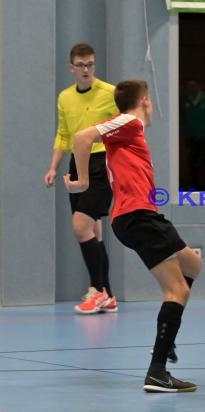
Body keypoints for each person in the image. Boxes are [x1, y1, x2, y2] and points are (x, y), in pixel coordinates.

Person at [64, 80, 202, 393]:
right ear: (143, 101)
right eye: (150, 100)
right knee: (177, 289)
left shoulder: (129, 132)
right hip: (136, 216)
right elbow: (82, 137)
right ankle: (158, 371)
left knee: (192, 265)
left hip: (140, 216)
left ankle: (164, 346)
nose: (151, 106)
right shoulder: (130, 121)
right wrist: (83, 181)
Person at [44, 43, 119, 315]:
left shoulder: (110, 93)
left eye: (90, 64)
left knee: (80, 226)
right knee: (93, 231)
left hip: (102, 164)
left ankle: (98, 291)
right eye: (81, 65)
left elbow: (126, 125)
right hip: (77, 163)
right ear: (72, 67)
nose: (86, 69)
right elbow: (63, 134)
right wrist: (53, 167)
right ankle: (106, 294)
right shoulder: (65, 97)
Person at [180, 80, 205, 189]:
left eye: (193, 86)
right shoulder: (185, 102)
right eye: (189, 86)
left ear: (199, 86)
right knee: (193, 164)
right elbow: (183, 120)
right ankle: (194, 188)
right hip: (191, 139)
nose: (191, 88)